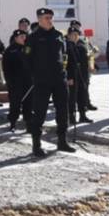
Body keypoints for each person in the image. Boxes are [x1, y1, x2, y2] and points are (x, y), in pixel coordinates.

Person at [26, 8, 74, 157]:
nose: (49, 20)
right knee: (39, 113)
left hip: (59, 79)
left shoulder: (58, 35)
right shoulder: (33, 37)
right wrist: (35, 76)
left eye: (50, 17)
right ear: (39, 19)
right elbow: (27, 59)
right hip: (42, 81)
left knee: (63, 111)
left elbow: (64, 56)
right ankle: (36, 145)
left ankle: (62, 141)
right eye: (46, 17)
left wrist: (67, 74)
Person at [3, 29, 32, 133]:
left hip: (28, 82)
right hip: (15, 83)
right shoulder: (10, 50)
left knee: (29, 104)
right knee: (15, 104)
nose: (24, 38)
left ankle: (28, 124)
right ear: (15, 38)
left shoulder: (29, 48)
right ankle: (12, 124)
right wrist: (9, 82)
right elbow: (6, 68)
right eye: (21, 37)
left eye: (24, 36)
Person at [65, 27, 93, 125]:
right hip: (72, 75)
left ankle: (82, 115)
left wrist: (93, 67)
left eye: (76, 34)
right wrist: (69, 77)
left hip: (82, 75)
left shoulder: (82, 46)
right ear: (68, 36)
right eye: (73, 34)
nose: (75, 36)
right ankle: (71, 117)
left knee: (82, 96)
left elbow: (87, 59)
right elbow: (65, 64)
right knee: (72, 97)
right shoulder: (66, 47)